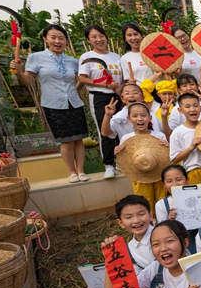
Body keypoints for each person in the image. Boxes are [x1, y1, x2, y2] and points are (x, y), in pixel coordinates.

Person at [11, 24, 89, 183]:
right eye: (53, 37)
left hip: (74, 103)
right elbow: (27, 81)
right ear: (45, 39)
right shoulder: (36, 57)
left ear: (66, 41)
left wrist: (74, 90)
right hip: (53, 104)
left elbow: (82, 79)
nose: (57, 41)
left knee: (79, 139)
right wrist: (19, 71)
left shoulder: (73, 61)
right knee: (66, 141)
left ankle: (81, 170)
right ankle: (71, 172)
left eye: (61, 38)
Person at [82, 194, 156, 288]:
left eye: (141, 214)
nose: (136, 220)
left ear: (151, 216)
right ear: (120, 223)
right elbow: (127, 278)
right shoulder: (128, 248)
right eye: (129, 217)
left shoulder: (162, 236)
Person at [78, 25, 123, 179]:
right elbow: (82, 78)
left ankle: (120, 161)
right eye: (94, 37)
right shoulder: (86, 57)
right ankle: (109, 164)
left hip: (118, 96)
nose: (99, 39)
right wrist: (105, 85)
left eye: (101, 36)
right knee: (105, 130)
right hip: (99, 96)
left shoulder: (116, 57)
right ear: (88, 40)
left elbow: (121, 78)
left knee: (120, 128)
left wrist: (120, 89)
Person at [113, 101, 170, 210]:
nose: (140, 119)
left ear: (150, 118)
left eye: (143, 115)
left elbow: (168, 156)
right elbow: (124, 159)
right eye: (135, 116)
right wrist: (117, 153)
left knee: (162, 201)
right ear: (129, 119)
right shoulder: (126, 139)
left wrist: (168, 147)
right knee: (144, 202)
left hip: (159, 174)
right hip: (139, 176)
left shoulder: (159, 135)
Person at [169, 93, 201, 191]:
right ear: (180, 110)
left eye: (195, 106)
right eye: (187, 106)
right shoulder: (178, 132)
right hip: (192, 172)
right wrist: (191, 148)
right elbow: (174, 158)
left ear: (200, 108)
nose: (192, 109)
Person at [156, 164, 201, 255]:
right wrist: (170, 221)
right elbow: (162, 233)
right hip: (180, 245)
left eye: (179, 179)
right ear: (164, 184)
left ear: (187, 180)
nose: (175, 184)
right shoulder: (161, 205)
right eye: (169, 181)